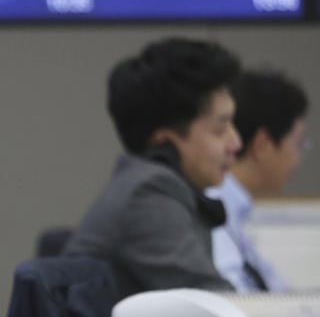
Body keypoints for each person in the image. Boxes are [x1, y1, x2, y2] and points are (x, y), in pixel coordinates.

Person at [63, 38, 242, 297]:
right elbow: (215, 305)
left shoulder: (152, 185)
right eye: (219, 128)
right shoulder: (150, 194)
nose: (236, 143)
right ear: (163, 143)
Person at [206, 70, 310, 292]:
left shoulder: (235, 208)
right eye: (297, 144)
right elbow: (239, 303)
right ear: (263, 144)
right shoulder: (214, 209)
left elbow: (277, 292)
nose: (298, 159)